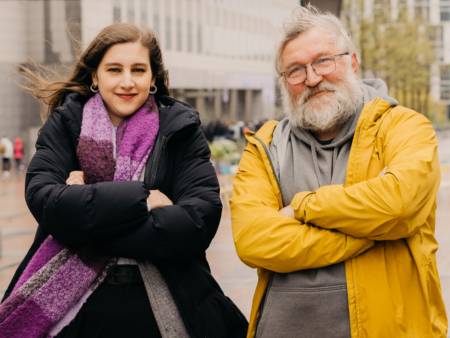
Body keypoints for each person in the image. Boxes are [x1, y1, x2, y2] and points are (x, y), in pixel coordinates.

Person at [0, 23, 247, 338]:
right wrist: (144, 199)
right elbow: (46, 201)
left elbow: (198, 222)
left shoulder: (182, 130)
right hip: (78, 317)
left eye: (138, 70)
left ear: (152, 77)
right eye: (114, 69)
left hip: (166, 308)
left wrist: (86, 210)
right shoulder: (64, 125)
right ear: (95, 76)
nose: (127, 82)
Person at [231, 5, 447, 338]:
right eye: (296, 71)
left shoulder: (404, 126)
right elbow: (254, 241)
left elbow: (399, 204)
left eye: (322, 61)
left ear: (353, 62)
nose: (312, 79)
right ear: (285, 82)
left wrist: (305, 207)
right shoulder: (266, 146)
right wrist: (370, 232)